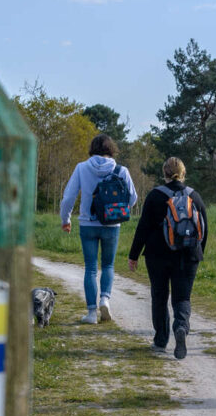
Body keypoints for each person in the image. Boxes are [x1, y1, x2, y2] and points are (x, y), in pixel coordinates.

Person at [127, 157, 208, 360]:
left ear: (164, 173)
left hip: (157, 255)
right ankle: (181, 327)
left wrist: (133, 255)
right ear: (183, 173)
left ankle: (160, 341)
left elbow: (143, 228)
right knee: (182, 298)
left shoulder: (155, 196)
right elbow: (204, 229)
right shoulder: (194, 196)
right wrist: (199, 253)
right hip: (188, 255)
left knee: (160, 296)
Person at [60, 133, 138, 323]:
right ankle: (105, 299)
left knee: (91, 269)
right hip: (112, 224)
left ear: (92, 149)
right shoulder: (121, 170)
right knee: (108, 265)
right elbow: (133, 199)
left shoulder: (82, 167)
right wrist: (118, 209)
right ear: (111, 149)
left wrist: (66, 219)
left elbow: (68, 197)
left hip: (88, 223)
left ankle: (91, 313)